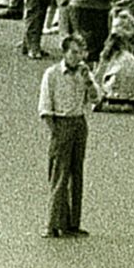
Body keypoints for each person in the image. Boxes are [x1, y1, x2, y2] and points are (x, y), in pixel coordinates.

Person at [38, 32, 98, 239]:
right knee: (59, 174)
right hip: (61, 122)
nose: (77, 57)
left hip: (79, 122)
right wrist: (55, 132)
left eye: (81, 53)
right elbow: (45, 107)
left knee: (76, 173)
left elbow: (96, 98)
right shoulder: (52, 74)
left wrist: (89, 81)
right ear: (64, 53)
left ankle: (72, 223)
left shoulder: (84, 73)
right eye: (73, 52)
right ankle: (52, 223)